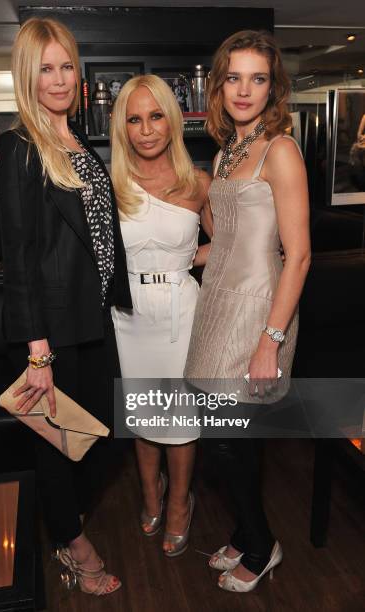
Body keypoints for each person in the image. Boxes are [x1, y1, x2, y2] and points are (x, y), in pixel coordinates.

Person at [0, 17, 131, 596]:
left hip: (93, 318)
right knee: (56, 443)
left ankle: (66, 524)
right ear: (28, 76)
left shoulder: (78, 141)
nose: (58, 79)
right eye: (45, 68)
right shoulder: (20, 146)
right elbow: (20, 254)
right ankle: (72, 544)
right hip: (52, 332)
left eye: (66, 66)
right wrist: (37, 350)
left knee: (95, 438)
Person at [184, 30, 311, 592]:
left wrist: (271, 340)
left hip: (260, 310)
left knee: (232, 439)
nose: (244, 89)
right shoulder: (227, 150)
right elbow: (229, 233)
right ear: (218, 85)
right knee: (220, 436)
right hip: (218, 303)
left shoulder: (280, 149)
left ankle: (261, 546)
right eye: (233, 77)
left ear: (272, 87)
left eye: (257, 78)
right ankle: (243, 529)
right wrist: (191, 246)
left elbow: (299, 253)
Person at [110, 74, 212, 556]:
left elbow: (230, 248)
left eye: (155, 116)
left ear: (172, 121)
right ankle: (151, 494)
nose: (146, 129)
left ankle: (179, 503)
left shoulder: (199, 183)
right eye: (134, 118)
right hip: (128, 315)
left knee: (180, 418)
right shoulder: (111, 185)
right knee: (142, 413)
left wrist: (182, 260)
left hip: (181, 312)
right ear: (122, 127)